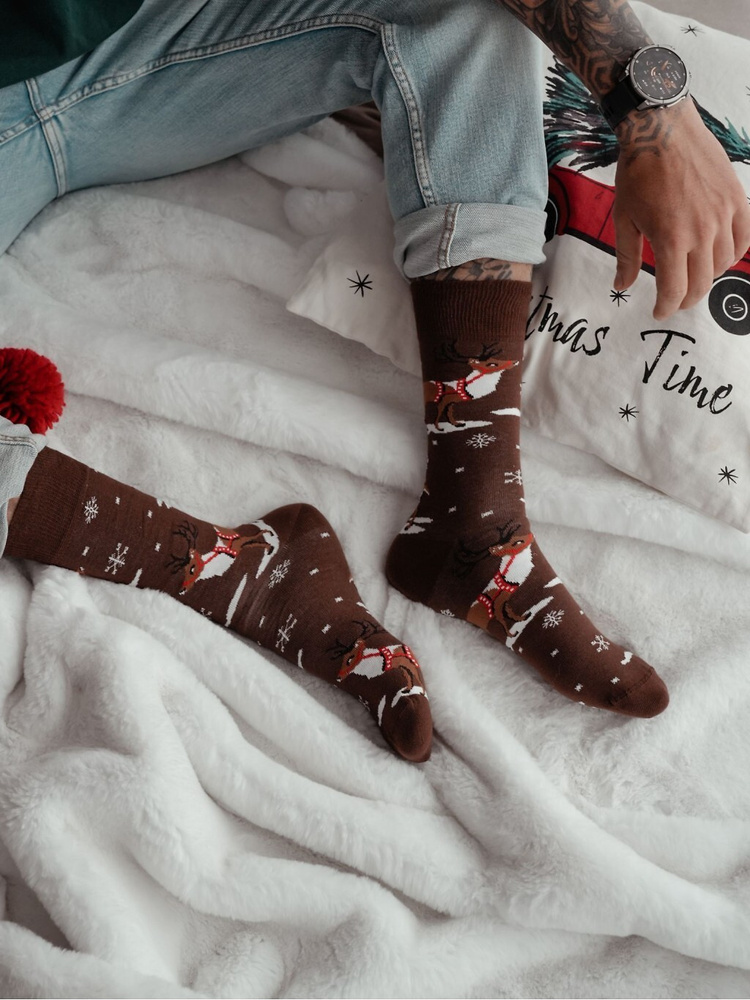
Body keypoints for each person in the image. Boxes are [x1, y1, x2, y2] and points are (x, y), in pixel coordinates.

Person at [1, 0, 749, 754]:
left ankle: (477, 519)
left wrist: (657, 112)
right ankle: (236, 573)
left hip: (119, 50)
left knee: (459, 15)